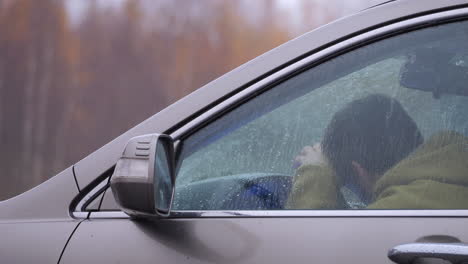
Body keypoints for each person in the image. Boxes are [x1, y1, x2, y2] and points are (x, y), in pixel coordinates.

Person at [286, 94, 468, 209]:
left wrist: (315, 174)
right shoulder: (446, 179)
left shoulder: (400, 209)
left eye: (348, 182)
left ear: (359, 170)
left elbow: (319, 251)